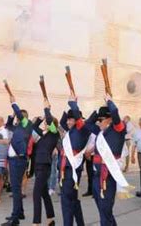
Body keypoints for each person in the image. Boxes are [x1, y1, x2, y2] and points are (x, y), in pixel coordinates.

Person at [84, 94, 126, 226]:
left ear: (109, 119)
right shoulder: (99, 131)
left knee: (105, 209)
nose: (98, 122)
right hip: (97, 175)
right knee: (103, 210)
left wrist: (109, 102)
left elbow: (114, 112)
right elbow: (87, 124)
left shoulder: (118, 130)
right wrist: (98, 113)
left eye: (101, 119)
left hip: (108, 176)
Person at [58, 95, 91, 226]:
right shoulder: (70, 131)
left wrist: (74, 104)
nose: (67, 122)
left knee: (66, 202)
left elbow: (77, 118)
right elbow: (61, 123)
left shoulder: (82, 130)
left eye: (70, 120)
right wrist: (69, 107)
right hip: (64, 171)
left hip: (71, 171)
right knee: (73, 200)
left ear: (76, 120)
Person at [2, 95, 33, 226]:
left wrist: (14, 103)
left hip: (18, 160)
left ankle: (15, 218)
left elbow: (20, 115)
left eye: (19, 116)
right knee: (16, 187)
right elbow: (7, 126)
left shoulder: (27, 125)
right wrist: (12, 115)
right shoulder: (18, 127)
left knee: (15, 188)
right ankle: (20, 212)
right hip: (13, 160)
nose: (17, 117)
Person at [31, 99, 59, 226]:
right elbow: (33, 127)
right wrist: (42, 117)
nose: (46, 124)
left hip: (44, 166)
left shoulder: (54, 133)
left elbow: (49, 121)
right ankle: (50, 218)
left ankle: (36, 222)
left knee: (36, 193)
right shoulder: (43, 134)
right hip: (37, 165)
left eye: (48, 123)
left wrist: (47, 109)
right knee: (43, 193)